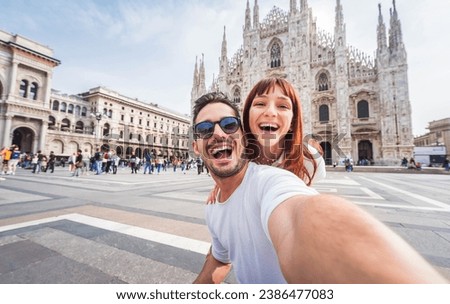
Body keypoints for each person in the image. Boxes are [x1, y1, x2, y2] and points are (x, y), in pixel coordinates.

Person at [191, 92, 446, 284]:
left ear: (243, 135)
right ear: (195, 147)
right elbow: (219, 258)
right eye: (204, 129)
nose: (217, 133)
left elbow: (300, 215)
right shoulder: (215, 207)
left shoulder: (271, 183)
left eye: (229, 125)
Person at [207, 77, 325, 203]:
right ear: (247, 115)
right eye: (260, 104)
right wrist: (223, 184)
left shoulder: (310, 161)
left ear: (292, 121)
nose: (270, 112)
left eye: (283, 106)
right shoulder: (234, 156)